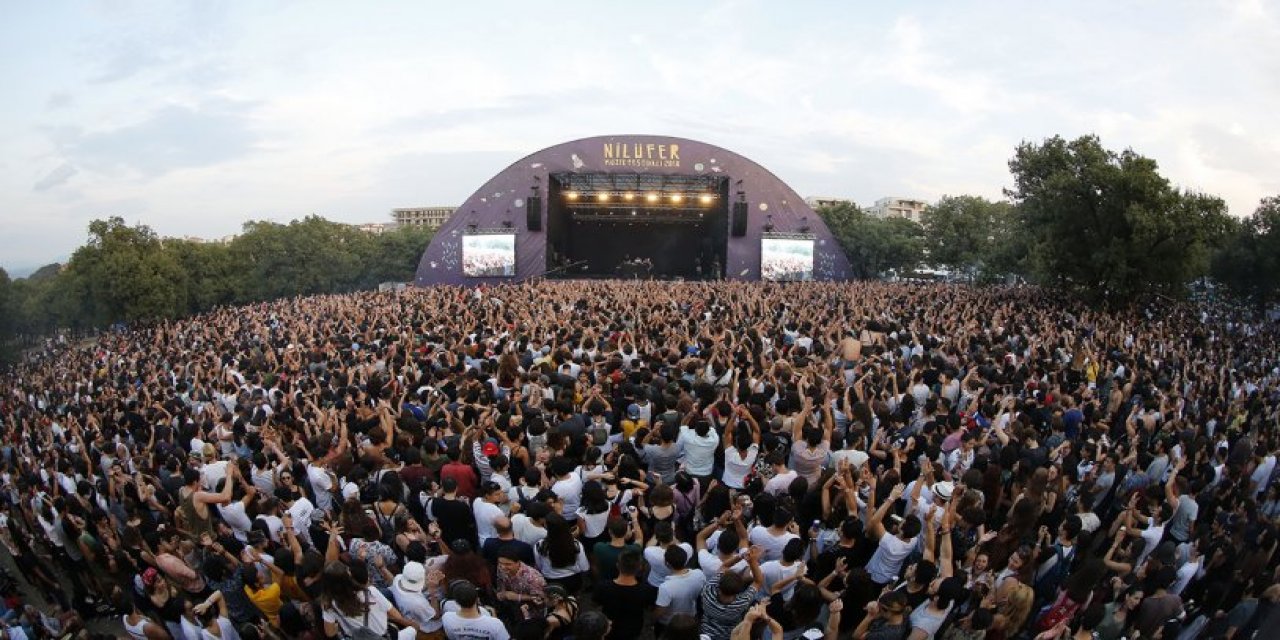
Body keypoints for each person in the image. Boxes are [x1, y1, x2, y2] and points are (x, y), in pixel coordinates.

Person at [700, 546, 766, 639]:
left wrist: (742, 556)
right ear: (738, 591)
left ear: (719, 585)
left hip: (705, 633)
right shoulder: (741, 602)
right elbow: (758, 581)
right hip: (728, 636)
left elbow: (724, 566)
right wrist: (752, 561)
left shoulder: (708, 589)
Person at [594, 549, 656, 640]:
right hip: (634, 628)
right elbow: (649, 607)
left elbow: (595, 603)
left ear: (617, 565)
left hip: (608, 627)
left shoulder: (603, 586)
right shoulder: (647, 590)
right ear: (639, 568)